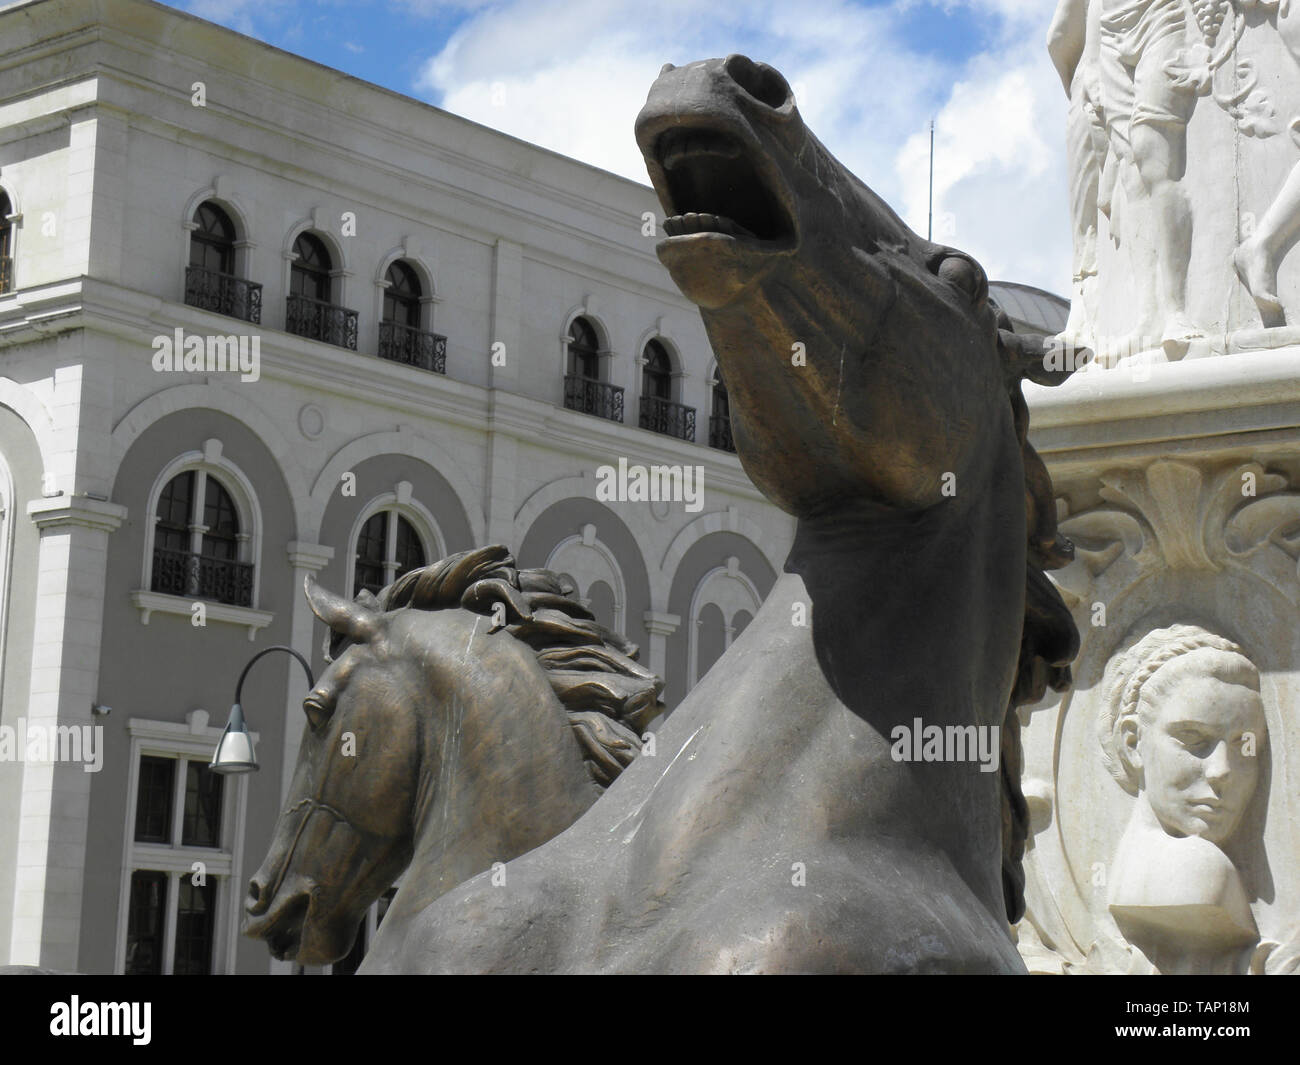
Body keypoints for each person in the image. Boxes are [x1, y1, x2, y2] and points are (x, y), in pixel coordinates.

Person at [1098, 624, 1268, 970]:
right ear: (1133, 744)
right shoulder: (1201, 871)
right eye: (1194, 739)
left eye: (1244, 747)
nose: (1222, 770)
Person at [1098, 0, 1205, 352]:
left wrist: (1205, 40)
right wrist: (1087, 61)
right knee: (1130, 169)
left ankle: (1177, 309)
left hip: (1163, 11)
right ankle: (1148, 317)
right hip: (1110, 28)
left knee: (1153, 150)